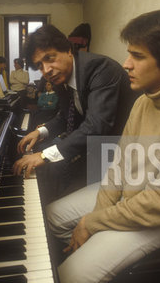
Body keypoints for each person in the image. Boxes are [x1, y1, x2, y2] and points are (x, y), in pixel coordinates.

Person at [45, 8, 160, 283]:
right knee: (50, 217)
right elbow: (119, 165)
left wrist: (92, 222)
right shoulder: (145, 100)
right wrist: (98, 216)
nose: (126, 64)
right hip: (129, 198)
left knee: (71, 276)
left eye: (138, 56)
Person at [12, 24, 137, 201]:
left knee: (56, 185)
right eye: (40, 65)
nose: (46, 70)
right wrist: (40, 131)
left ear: (68, 50)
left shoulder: (100, 69)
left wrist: (45, 155)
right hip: (95, 148)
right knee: (50, 176)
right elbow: (66, 116)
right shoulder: (60, 77)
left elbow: (96, 126)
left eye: (50, 58)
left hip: (120, 155)